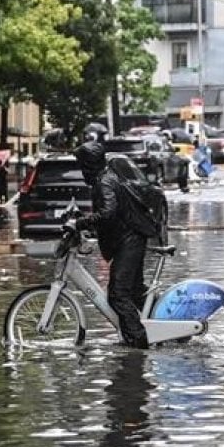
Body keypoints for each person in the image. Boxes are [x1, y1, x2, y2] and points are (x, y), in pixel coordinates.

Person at [73, 141, 166, 350]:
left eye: (81, 165)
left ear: (89, 165)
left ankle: (139, 340)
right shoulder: (105, 177)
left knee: (117, 294)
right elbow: (109, 215)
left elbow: (108, 212)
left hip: (130, 241)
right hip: (131, 238)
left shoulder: (104, 182)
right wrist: (84, 219)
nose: (81, 171)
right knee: (134, 292)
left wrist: (84, 222)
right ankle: (168, 321)